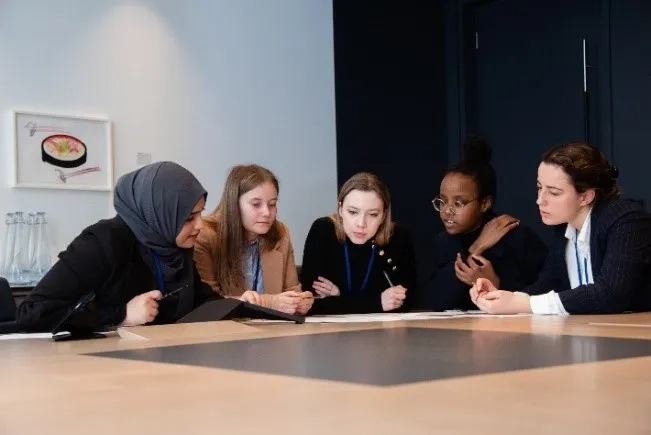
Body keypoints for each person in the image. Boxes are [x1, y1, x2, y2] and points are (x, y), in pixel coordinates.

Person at [15, 161, 262, 332]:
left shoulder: (173, 246)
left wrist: (238, 304)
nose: (199, 225)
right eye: (188, 218)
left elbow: (201, 301)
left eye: (200, 213)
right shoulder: (103, 242)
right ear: (160, 214)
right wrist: (121, 315)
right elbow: (33, 312)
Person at [471, 142, 651, 315]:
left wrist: (523, 304)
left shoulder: (626, 220)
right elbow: (547, 285)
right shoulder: (564, 226)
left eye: (554, 192)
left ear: (585, 197)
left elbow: (611, 294)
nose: (540, 200)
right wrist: (503, 298)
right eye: (539, 188)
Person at [417, 136, 548, 311]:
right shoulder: (443, 241)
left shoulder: (517, 236)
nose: (447, 210)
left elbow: (550, 295)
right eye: (442, 201)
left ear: (485, 203)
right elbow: (432, 300)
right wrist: (477, 247)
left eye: (459, 203)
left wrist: (497, 284)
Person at [194, 164, 313, 315]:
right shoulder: (206, 236)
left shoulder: (280, 233)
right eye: (256, 204)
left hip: (274, 332)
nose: (266, 212)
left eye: (272, 204)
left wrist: (300, 301)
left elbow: (292, 291)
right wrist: (270, 302)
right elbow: (209, 306)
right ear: (234, 205)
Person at [300, 172, 417, 314]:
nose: (361, 224)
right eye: (353, 212)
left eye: (373, 214)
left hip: (383, 332)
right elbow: (311, 303)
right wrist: (378, 302)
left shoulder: (398, 237)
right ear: (340, 210)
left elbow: (408, 301)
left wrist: (340, 298)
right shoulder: (323, 231)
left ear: (384, 216)